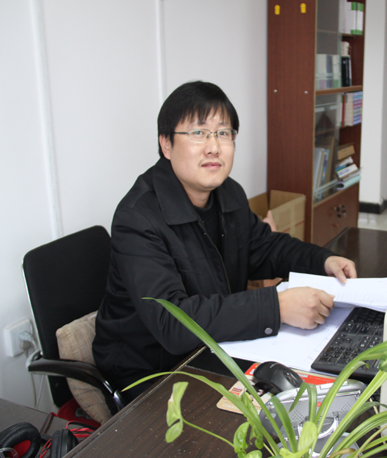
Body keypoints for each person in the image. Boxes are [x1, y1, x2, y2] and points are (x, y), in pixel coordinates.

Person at [92, 81, 357, 396]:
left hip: (214, 350)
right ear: (166, 144)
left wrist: (323, 260)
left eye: (223, 133)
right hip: (152, 373)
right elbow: (171, 323)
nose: (213, 147)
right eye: (198, 132)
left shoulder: (228, 192)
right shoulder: (137, 218)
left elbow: (264, 247)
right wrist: (277, 307)